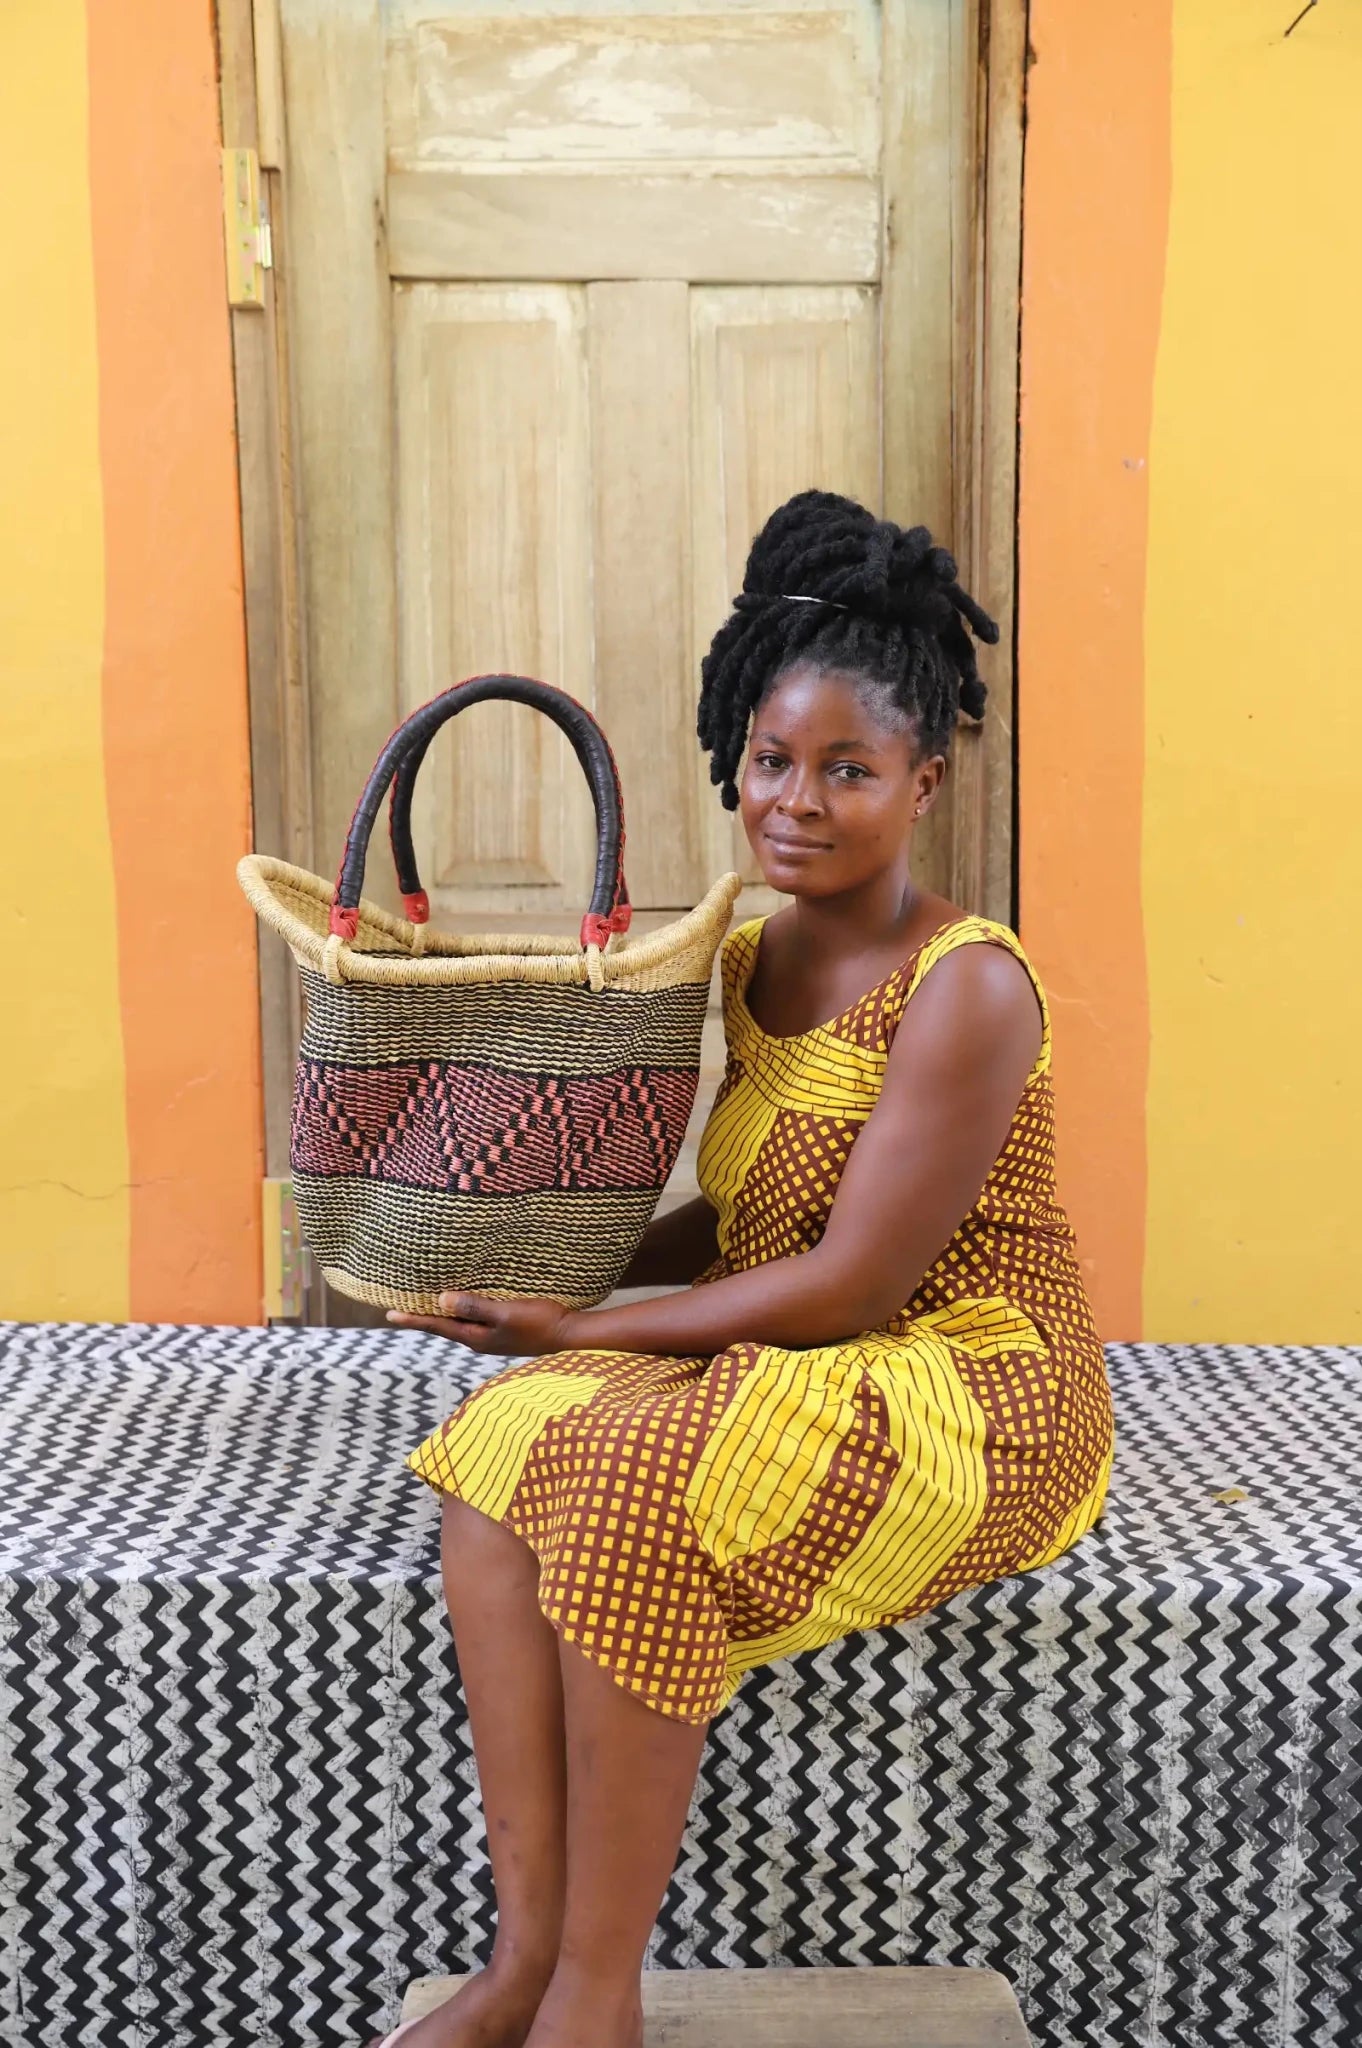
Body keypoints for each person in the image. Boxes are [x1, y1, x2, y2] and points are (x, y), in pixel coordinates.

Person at [380, 490, 1113, 2048]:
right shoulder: (747, 957)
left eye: (848, 769)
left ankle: (596, 1996)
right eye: (772, 761)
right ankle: (520, 1960)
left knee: (627, 1479)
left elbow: (851, 1283)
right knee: (494, 1450)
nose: (797, 801)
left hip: (970, 1375)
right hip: (806, 1338)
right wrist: (557, 1267)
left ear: (921, 782)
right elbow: (748, 1213)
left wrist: (582, 1328)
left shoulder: (967, 986)